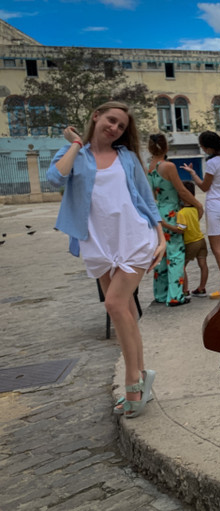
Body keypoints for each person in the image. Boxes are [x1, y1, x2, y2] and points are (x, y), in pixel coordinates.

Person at [47, 101, 166, 419]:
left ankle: (132, 382)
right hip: (98, 244)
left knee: (115, 305)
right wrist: (75, 143)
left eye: (122, 127)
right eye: (111, 121)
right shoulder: (76, 155)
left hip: (134, 239)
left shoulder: (126, 157)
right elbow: (55, 179)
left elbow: (145, 196)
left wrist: (161, 237)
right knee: (125, 311)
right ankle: (142, 374)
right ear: (96, 116)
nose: (115, 128)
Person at [182, 131, 220, 298]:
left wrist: (193, 175)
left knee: (216, 248)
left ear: (208, 147)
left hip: (214, 206)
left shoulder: (212, 163)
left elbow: (204, 187)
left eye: (202, 146)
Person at [147, 133, 203, 306]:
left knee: (161, 254)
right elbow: (182, 191)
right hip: (172, 212)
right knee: (176, 255)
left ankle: (161, 293)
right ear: (166, 147)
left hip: (157, 211)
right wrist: (198, 205)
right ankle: (175, 295)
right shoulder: (168, 166)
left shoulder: (149, 166)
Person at [176, 180, 209, 298]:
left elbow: (181, 229)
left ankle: (185, 290)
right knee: (203, 264)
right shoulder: (196, 209)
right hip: (201, 240)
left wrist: (165, 225)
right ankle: (202, 288)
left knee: (181, 265)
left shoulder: (181, 213)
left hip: (190, 242)